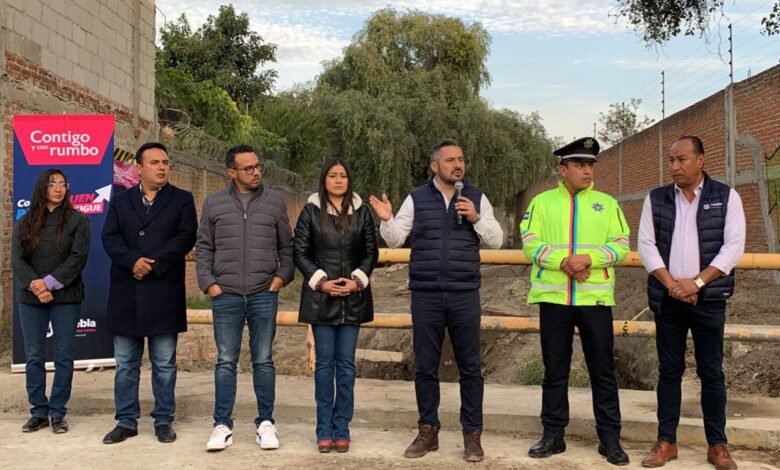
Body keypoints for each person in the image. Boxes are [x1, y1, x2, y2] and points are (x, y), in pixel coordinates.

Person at [369, 139, 503, 462]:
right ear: (434, 166)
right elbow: (396, 238)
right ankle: (428, 431)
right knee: (426, 366)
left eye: (461, 160)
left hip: (464, 294)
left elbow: (497, 241)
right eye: (450, 160)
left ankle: (472, 436)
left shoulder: (476, 197)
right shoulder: (416, 198)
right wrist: (387, 220)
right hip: (426, 294)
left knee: (470, 367)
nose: (458, 165)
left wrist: (476, 218)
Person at [519, 137, 631, 466]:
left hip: (595, 301)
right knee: (555, 371)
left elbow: (621, 244)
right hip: (554, 300)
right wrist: (566, 261)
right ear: (562, 169)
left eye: (590, 165)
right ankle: (553, 435)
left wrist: (587, 259)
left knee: (603, 371)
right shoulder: (541, 203)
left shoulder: (607, 204)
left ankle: (609, 438)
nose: (587, 170)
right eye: (580, 165)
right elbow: (530, 242)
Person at [638, 136, 745, 470]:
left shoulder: (726, 196)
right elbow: (646, 245)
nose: (674, 167)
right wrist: (672, 285)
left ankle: (717, 445)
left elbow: (733, 247)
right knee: (669, 371)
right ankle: (666, 442)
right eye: (671, 160)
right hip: (668, 300)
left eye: (682, 159)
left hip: (709, 299)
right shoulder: (656, 199)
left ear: (701, 159)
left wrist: (697, 282)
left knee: (711, 372)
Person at [196, 144, 294, 452]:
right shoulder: (214, 204)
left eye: (257, 166)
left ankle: (265, 423)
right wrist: (209, 284)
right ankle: (222, 425)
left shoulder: (274, 202)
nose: (256, 172)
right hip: (225, 294)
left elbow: (287, 248)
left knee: (263, 359)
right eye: (248, 168)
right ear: (232, 173)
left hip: (264, 292)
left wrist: (280, 278)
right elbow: (204, 247)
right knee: (226, 360)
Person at [101, 142, 197, 444]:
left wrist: (152, 265)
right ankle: (126, 420)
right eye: (154, 162)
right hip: (127, 291)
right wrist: (133, 261)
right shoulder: (120, 200)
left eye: (166, 162)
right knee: (126, 364)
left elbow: (185, 237)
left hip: (163, 290)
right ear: (139, 168)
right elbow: (110, 236)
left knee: (165, 363)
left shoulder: (182, 200)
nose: (162, 167)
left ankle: (164, 420)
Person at [293, 159, 379, 453]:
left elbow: (371, 251)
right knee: (324, 366)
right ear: (324, 179)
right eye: (333, 175)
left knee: (346, 367)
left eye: (343, 175)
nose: (338, 180)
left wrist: (357, 280)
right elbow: (300, 252)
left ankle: (342, 428)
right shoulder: (310, 211)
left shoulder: (362, 212)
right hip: (321, 299)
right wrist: (320, 281)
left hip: (353, 298)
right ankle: (323, 430)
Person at [12, 169, 90, 434]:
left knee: (63, 356)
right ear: (41, 188)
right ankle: (39, 411)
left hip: (66, 296)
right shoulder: (25, 222)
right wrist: (37, 286)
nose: (58, 188)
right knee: (34, 356)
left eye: (62, 184)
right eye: (52, 184)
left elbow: (78, 258)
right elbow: (17, 259)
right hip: (31, 297)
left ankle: (57, 411)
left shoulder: (78, 220)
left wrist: (50, 283)